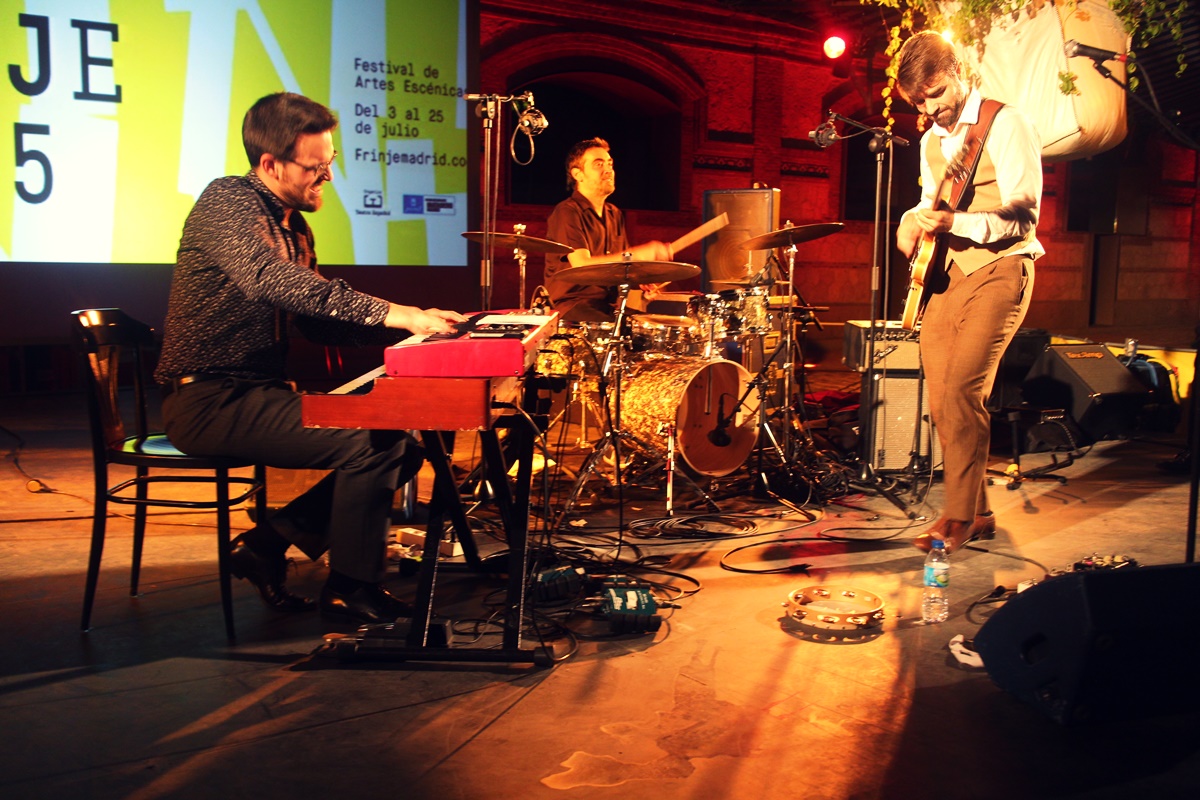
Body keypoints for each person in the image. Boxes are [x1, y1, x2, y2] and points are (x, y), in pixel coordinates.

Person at [155, 92, 465, 624]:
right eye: (315, 168)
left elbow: (318, 321)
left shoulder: (293, 226)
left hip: (257, 394)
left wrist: (413, 332)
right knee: (372, 444)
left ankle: (267, 545)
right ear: (271, 164)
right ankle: (350, 590)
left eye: (331, 162)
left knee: (404, 448)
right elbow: (270, 280)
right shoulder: (227, 200)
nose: (328, 177)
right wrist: (398, 314)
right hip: (208, 401)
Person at [893, 32, 1043, 553]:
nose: (929, 110)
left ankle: (956, 517)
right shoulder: (930, 143)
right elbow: (928, 202)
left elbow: (1023, 215)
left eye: (935, 93)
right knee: (941, 399)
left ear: (958, 72)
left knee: (962, 391)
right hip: (945, 275)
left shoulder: (1007, 123)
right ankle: (978, 513)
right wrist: (911, 222)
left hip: (1002, 268)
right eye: (918, 102)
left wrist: (956, 222)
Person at [543, 137, 673, 322]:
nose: (608, 170)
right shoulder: (567, 212)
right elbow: (581, 264)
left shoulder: (614, 214)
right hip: (571, 306)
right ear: (578, 174)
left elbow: (620, 268)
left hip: (606, 306)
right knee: (621, 330)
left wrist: (641, 283)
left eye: (610, 164)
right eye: (598, 164)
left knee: (653, 325)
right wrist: (637, 254)